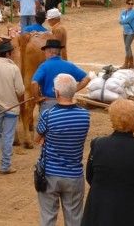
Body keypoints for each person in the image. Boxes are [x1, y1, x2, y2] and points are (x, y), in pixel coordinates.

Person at [35, 74, 90, 226]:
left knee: (48, 218)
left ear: (57, 93)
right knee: (74, 219)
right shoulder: (85, 116)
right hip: (74, 175)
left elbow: (36, 138)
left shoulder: (48, 114)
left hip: (50, 174)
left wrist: (46, 137)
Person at [81, 99, 134, 226]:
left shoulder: (98, 144)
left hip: (100, 211)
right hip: (133, 212)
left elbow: (90, 177)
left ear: (112, 119)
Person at [0, 41, 25, 174]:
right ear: (8, 53)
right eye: (12, 52)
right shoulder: (14, 68)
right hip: (12, 107)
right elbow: (20, 90)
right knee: (8, 136)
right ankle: (6, 165)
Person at [31, 39, 90, 115]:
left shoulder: (44, 66)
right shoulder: (69, 65)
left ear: (49, 52)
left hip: (49, 102)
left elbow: (34, 83)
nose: (45, 53)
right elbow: (86, 79)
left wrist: (37, 98)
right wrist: (71, 90)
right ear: (59, 52)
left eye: (45, 51)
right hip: (67, 102)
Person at [119, 0, 134, 69]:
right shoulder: (123, 12)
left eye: (132, 4)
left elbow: (127, 20)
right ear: (126, 4)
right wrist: (122, 21)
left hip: (131, 32)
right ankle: (131, 64)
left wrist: (122, 21)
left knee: (127, 46)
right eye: (129, 3)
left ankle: (126, 64)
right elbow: (120, 19)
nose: (130, 5)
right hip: (125, 31)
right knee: (128, 47)